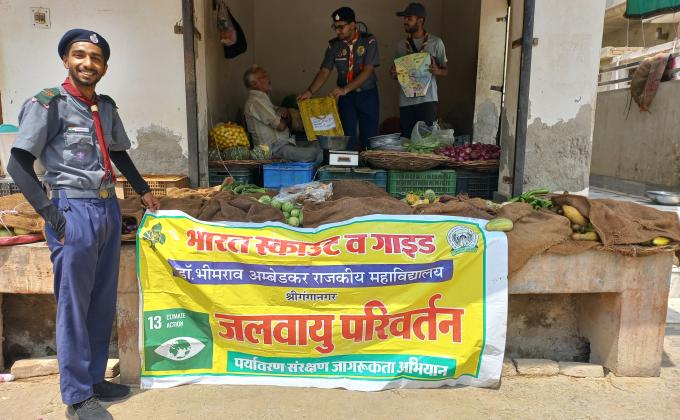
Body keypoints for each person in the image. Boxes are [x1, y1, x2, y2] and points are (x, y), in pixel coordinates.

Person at [7, 28, 160, 420]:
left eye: (95, 57)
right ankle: (76, 397)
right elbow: (18, 164)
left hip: (108, 207)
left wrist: (143, 190)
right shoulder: (48, 104)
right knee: (74, 304)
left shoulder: (105, 107)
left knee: (101, 299)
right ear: (66, 60)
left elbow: (118, 153)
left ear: (104, 67)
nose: (87, 63)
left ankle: (94, 380)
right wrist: (51, 214)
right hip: (72, 209)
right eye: (79, 55)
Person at [297, 6, 380, 151]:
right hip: (347, 99)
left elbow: (368, 70)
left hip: (367, 95)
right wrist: (310, 92)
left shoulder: (368, 41)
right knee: (346, 139)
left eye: (341, 27)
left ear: (352, 25)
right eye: (335, 27)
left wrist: (345, 89)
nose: (337, 31)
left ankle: (368, 165)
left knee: (369, 139)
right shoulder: (334, 45)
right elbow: (324, 71)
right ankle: (347, 165)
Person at [243, 65, 323, 164]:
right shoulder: (255, 101)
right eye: (263, 76)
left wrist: (285, 112)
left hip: (283, 145)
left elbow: (283, 115)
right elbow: (280, 126)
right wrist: (285, 116)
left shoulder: (263, 99)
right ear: (254, 83)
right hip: (273, 151)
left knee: (320, 144)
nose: (268, 78)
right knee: (314, 154)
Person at [391, 2, 448, 138]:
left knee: (426, 140)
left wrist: (437, 71)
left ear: (420, 20)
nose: (405, 21)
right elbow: (395, 72)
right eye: (404, 18)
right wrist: (393, 73)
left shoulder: (436, 42)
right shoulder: (401, 45)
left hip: (427, 100)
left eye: (409, 18)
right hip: (406, 101)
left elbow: (446, 70)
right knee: (407, 139)